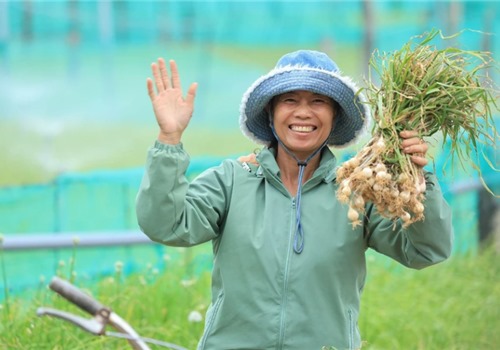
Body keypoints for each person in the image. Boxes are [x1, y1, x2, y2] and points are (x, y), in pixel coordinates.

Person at [136, 50, 453, 350]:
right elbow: (167, 225)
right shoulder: (232, 180)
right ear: (271, 113)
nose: (303, 112)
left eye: (318, 101)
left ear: (334, 116)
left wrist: (416, 180)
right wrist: (169, 139)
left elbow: (426, 250)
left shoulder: (358, 191)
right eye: (289, 99)